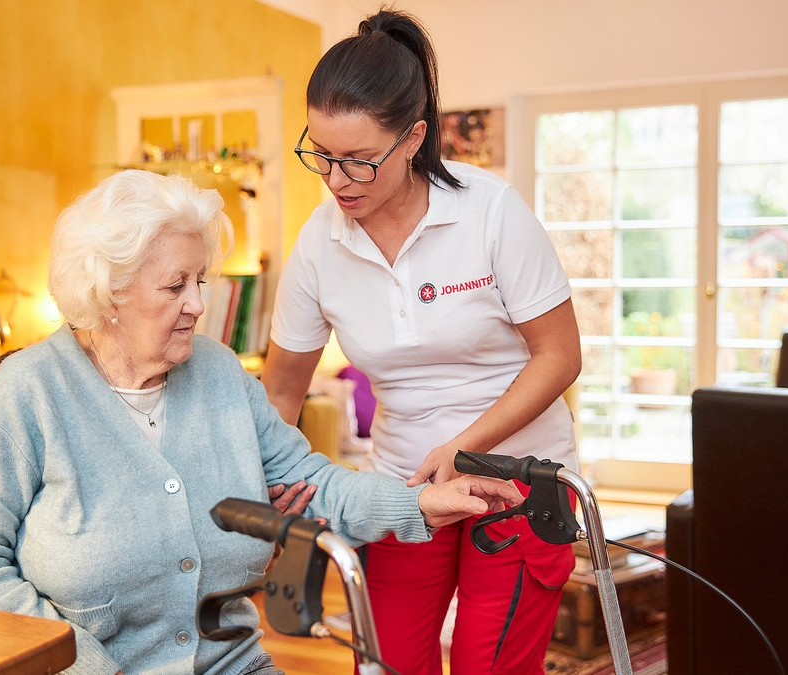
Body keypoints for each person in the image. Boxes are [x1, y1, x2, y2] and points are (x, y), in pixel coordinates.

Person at [0, 169, 524, 675]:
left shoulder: (216, 373)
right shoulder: (26, 397)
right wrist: (78, 662)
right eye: (174, 285)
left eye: (200, 281)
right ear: (107, 291)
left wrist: (419, 503)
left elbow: (313, 480)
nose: (197, 303)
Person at [261, 8, 582, 675]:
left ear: (412, 139)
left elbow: (559, 354)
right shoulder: (321, 242)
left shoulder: (490, 211)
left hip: (517, 480)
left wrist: (467, 447)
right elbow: (284, 387)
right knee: (386, 665)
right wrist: (268, 491)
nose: (336, 179)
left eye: (358, 160)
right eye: (321, 154)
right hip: (406, 488)